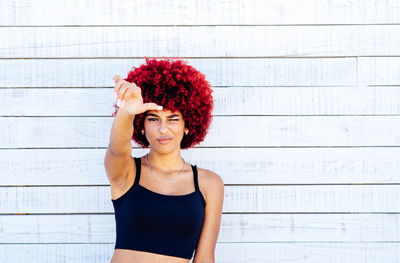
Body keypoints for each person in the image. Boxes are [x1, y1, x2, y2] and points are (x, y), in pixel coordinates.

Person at [104, 57, 224, 263]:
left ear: (188, 124)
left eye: (173, 119)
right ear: (141, 124)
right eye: (153, 119)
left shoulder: (209, 184)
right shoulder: (126, 172)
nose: (163, 129)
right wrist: (127, 111)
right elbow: (117, 147)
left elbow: (204, 258)